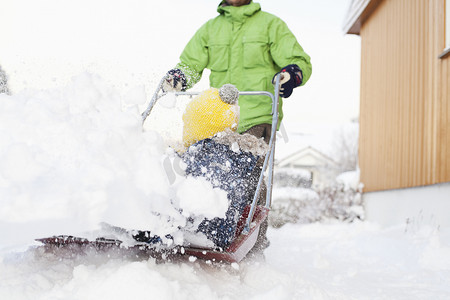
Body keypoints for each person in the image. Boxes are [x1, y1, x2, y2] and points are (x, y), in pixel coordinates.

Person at [162, 0, 312, 254]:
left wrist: (291, 73)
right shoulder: (211, 29)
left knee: (247, 180)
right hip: (218, 119)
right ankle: (199, 232)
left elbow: (299, 61)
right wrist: (179, 77)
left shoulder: (270, 25)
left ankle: (251, 246)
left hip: (257, 115)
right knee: (203, 172)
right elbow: (190, 64)